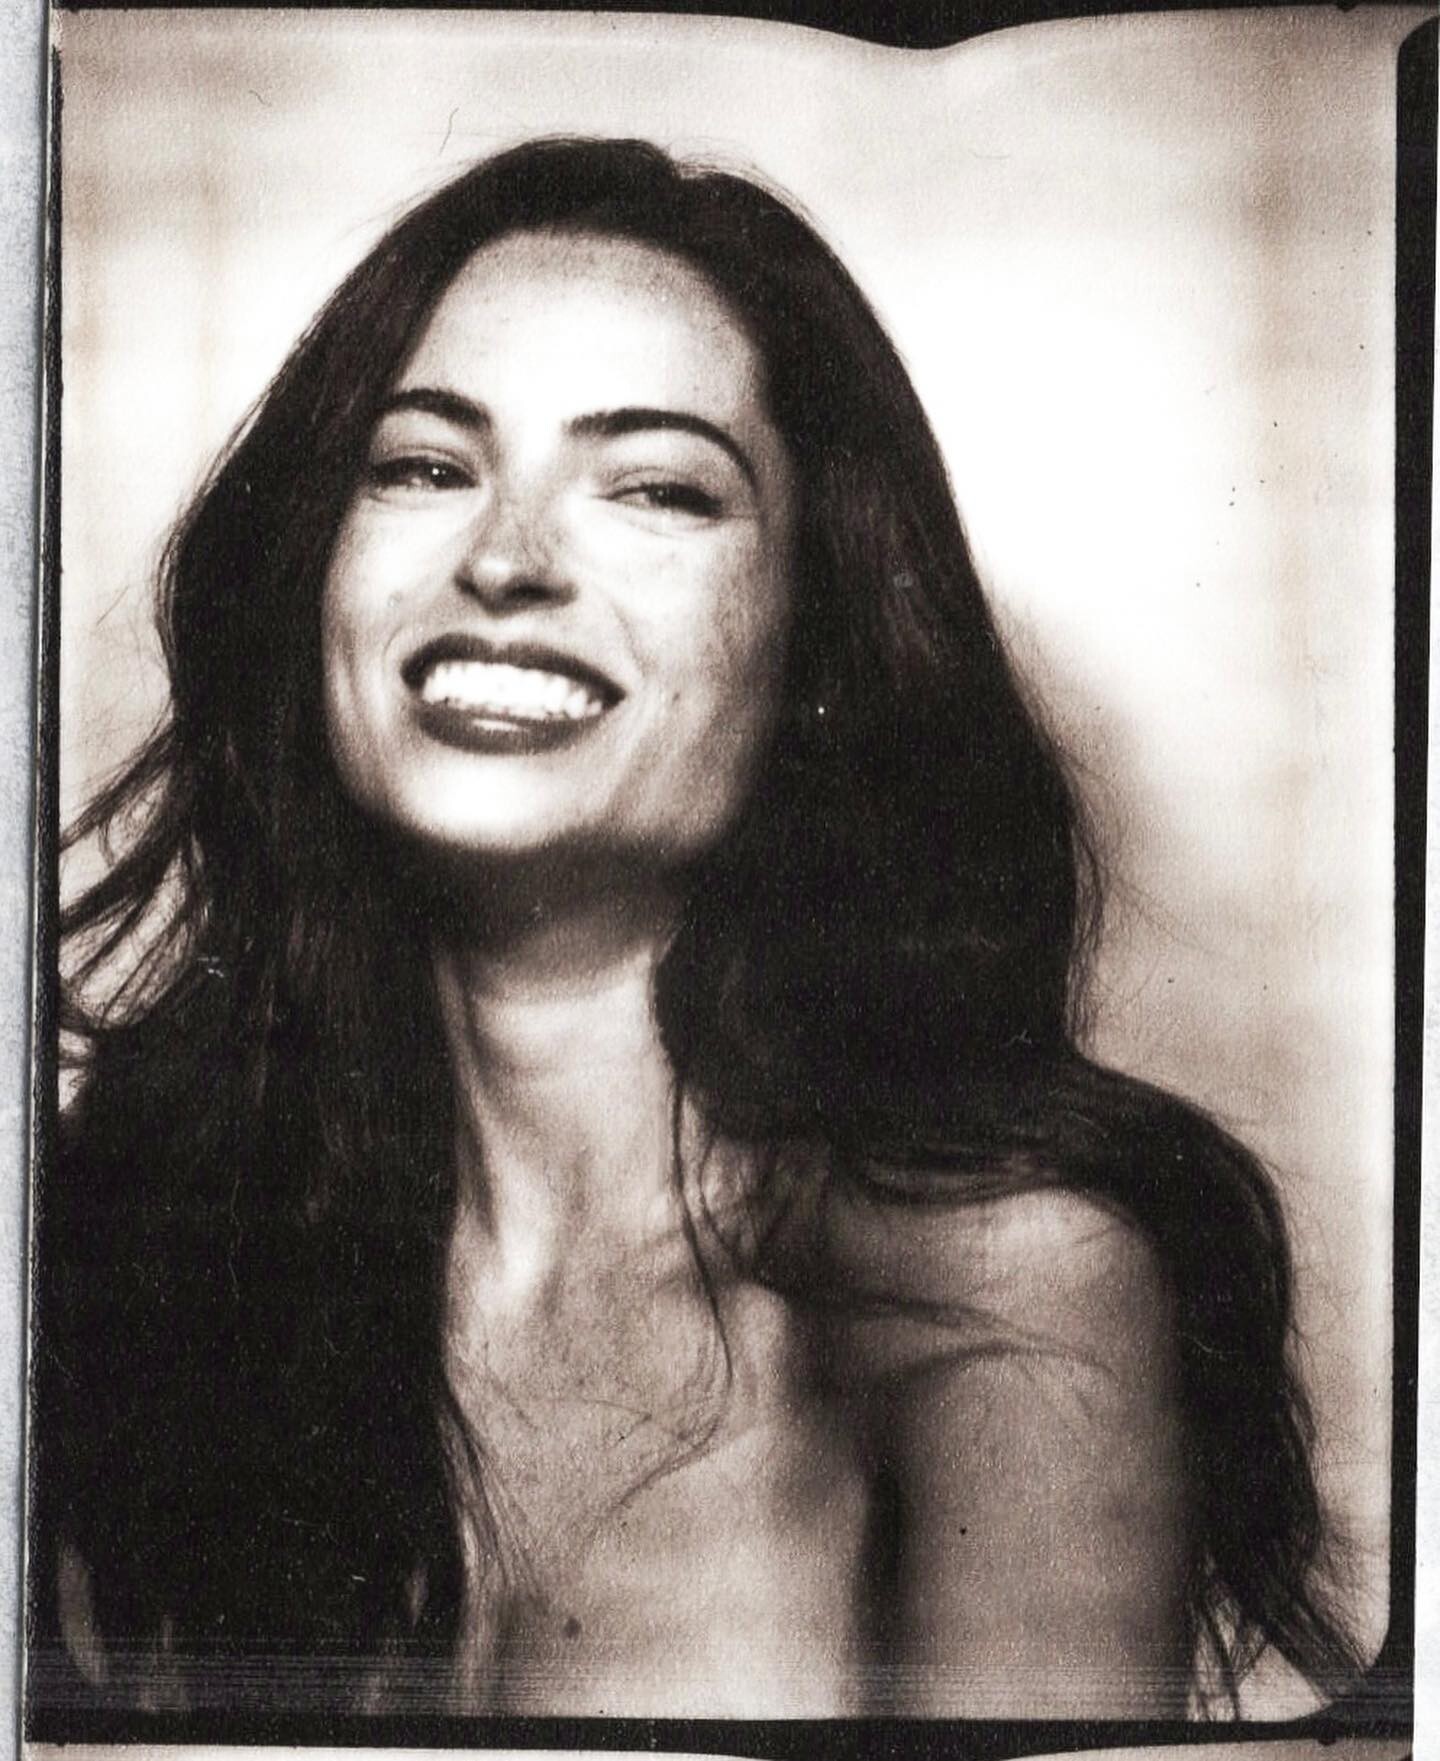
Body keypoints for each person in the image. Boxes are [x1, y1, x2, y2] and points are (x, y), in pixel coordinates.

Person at [30, 136, 1362, 1720]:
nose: (505, 561)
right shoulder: (140, 1242)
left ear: (816, 635)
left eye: (657, 489)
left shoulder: (1003, 1291)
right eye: (423, 466)